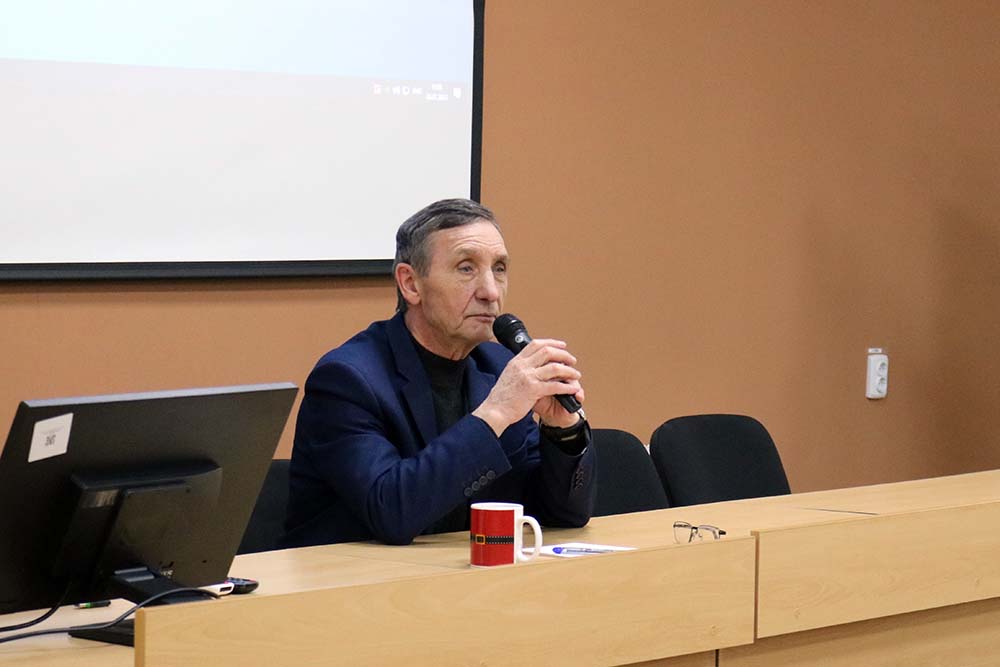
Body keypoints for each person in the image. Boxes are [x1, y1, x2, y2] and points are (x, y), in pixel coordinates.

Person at [284, 198, 595, 547]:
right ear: (411, 284)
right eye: (466, 268)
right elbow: (391, 512)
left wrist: (563, 431)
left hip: (461, 573)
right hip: (352, 576)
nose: (491, 291)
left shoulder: (497, 368)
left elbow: (562, 515)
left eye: (499, 269)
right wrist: (495, 413)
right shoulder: (347, 380)